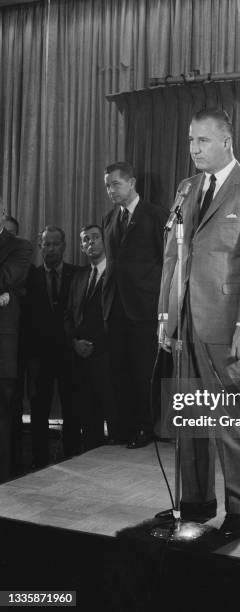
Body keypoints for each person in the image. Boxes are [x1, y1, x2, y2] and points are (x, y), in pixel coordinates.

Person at [158, 108, 240, 541]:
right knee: (188, 418)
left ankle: (239, 512)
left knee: (230, 421)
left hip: (228, 325)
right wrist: (166, 318)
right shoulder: (186, 188)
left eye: (202, 141)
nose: (193, 149)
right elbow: (174, 256)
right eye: (190, 141)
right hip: (186, 321)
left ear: (226, 142)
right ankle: (195, 502)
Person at [102, 162, 168, 448]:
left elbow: (168, 263)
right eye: (107, 186)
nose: (110, 190)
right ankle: (123, 426)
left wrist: (163, 307)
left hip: (144, 308)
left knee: (143, 371)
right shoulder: (108, 219)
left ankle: (145, 427)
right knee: (119, 369)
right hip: (115, 307)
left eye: (115, 184)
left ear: (131, 183)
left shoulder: (156, 216)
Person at [25, 226, 78, 467]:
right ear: (40, 246)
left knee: (72, 409)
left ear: (64, 246)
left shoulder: (77, 275)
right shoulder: (29, 276)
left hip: (70, 354)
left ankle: (73, 457)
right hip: (39, 356)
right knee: (38, 411)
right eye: (46, 244)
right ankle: (39, 461)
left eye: (56, 244)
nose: (51, 248)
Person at [65, 224, 115, 450]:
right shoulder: (79, 275)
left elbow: (119, 317)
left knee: (114, 420)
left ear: (105, 241)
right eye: (85, 240)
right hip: (80, 358)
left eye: (95, 238)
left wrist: (97, 345)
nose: (90, 243)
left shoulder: (116, 273)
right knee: (88, 420)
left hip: (108, 357)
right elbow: (69, 315)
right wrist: (75, 343)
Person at [0, 217, 32, 482]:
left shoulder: (20, 246)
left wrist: (6, 286)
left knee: (3, 418)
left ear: (2, 212)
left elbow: (9, 276)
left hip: (2, 349)